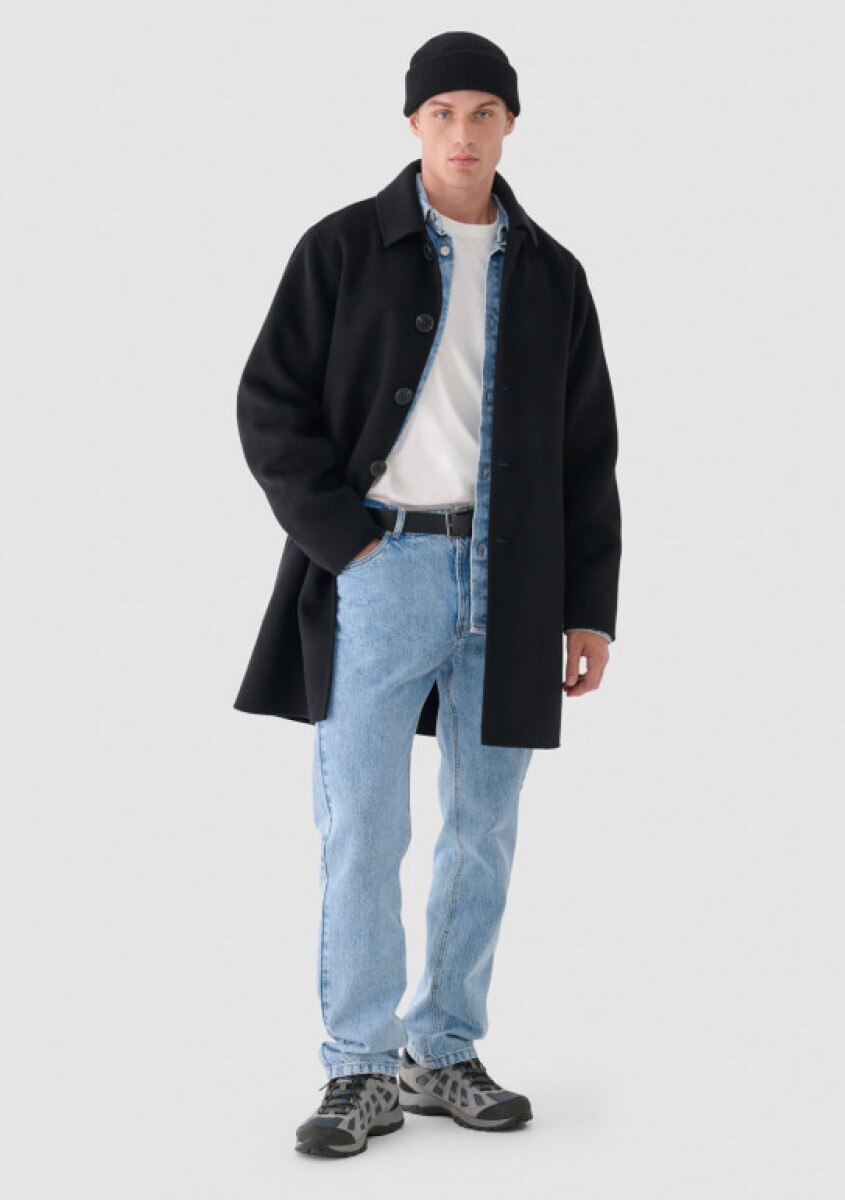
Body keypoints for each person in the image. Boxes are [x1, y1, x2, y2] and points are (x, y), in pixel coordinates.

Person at [234, 30, 622, 1159]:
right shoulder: (343, 247)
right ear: (412, 124)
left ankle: (442, 1048)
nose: (462, 132)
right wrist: (345, 543)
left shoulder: (553, 275)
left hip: (515, 581)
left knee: (482, 828)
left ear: (510, 125)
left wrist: (587, 607)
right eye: (442, 112)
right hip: (382, 567)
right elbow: (268, 404)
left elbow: (585, 452)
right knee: (364, 823)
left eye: (482, 112)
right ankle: (358, 1066)